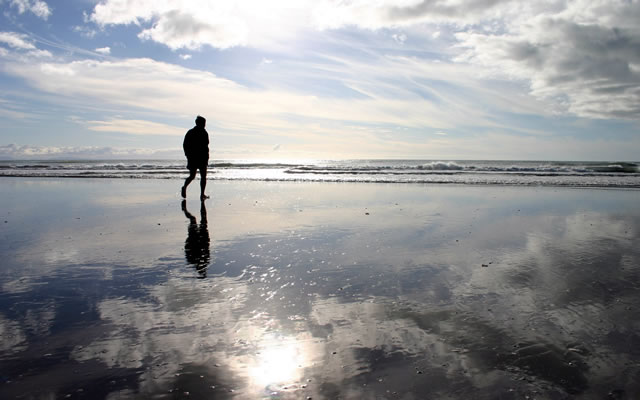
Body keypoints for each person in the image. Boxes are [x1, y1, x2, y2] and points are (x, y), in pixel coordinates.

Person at [181, 115, 210, 200]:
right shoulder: (199, 132)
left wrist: (188, 155)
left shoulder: (193, 132)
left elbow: (185, 145)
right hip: (198, 158)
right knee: (200, 176)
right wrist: (188, 155)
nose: (205, 125)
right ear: (199, 123)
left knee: (194, 176)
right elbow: (186, 145)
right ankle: (201, 194)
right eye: (204, 123)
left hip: (197, 158)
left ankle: (199, 193)